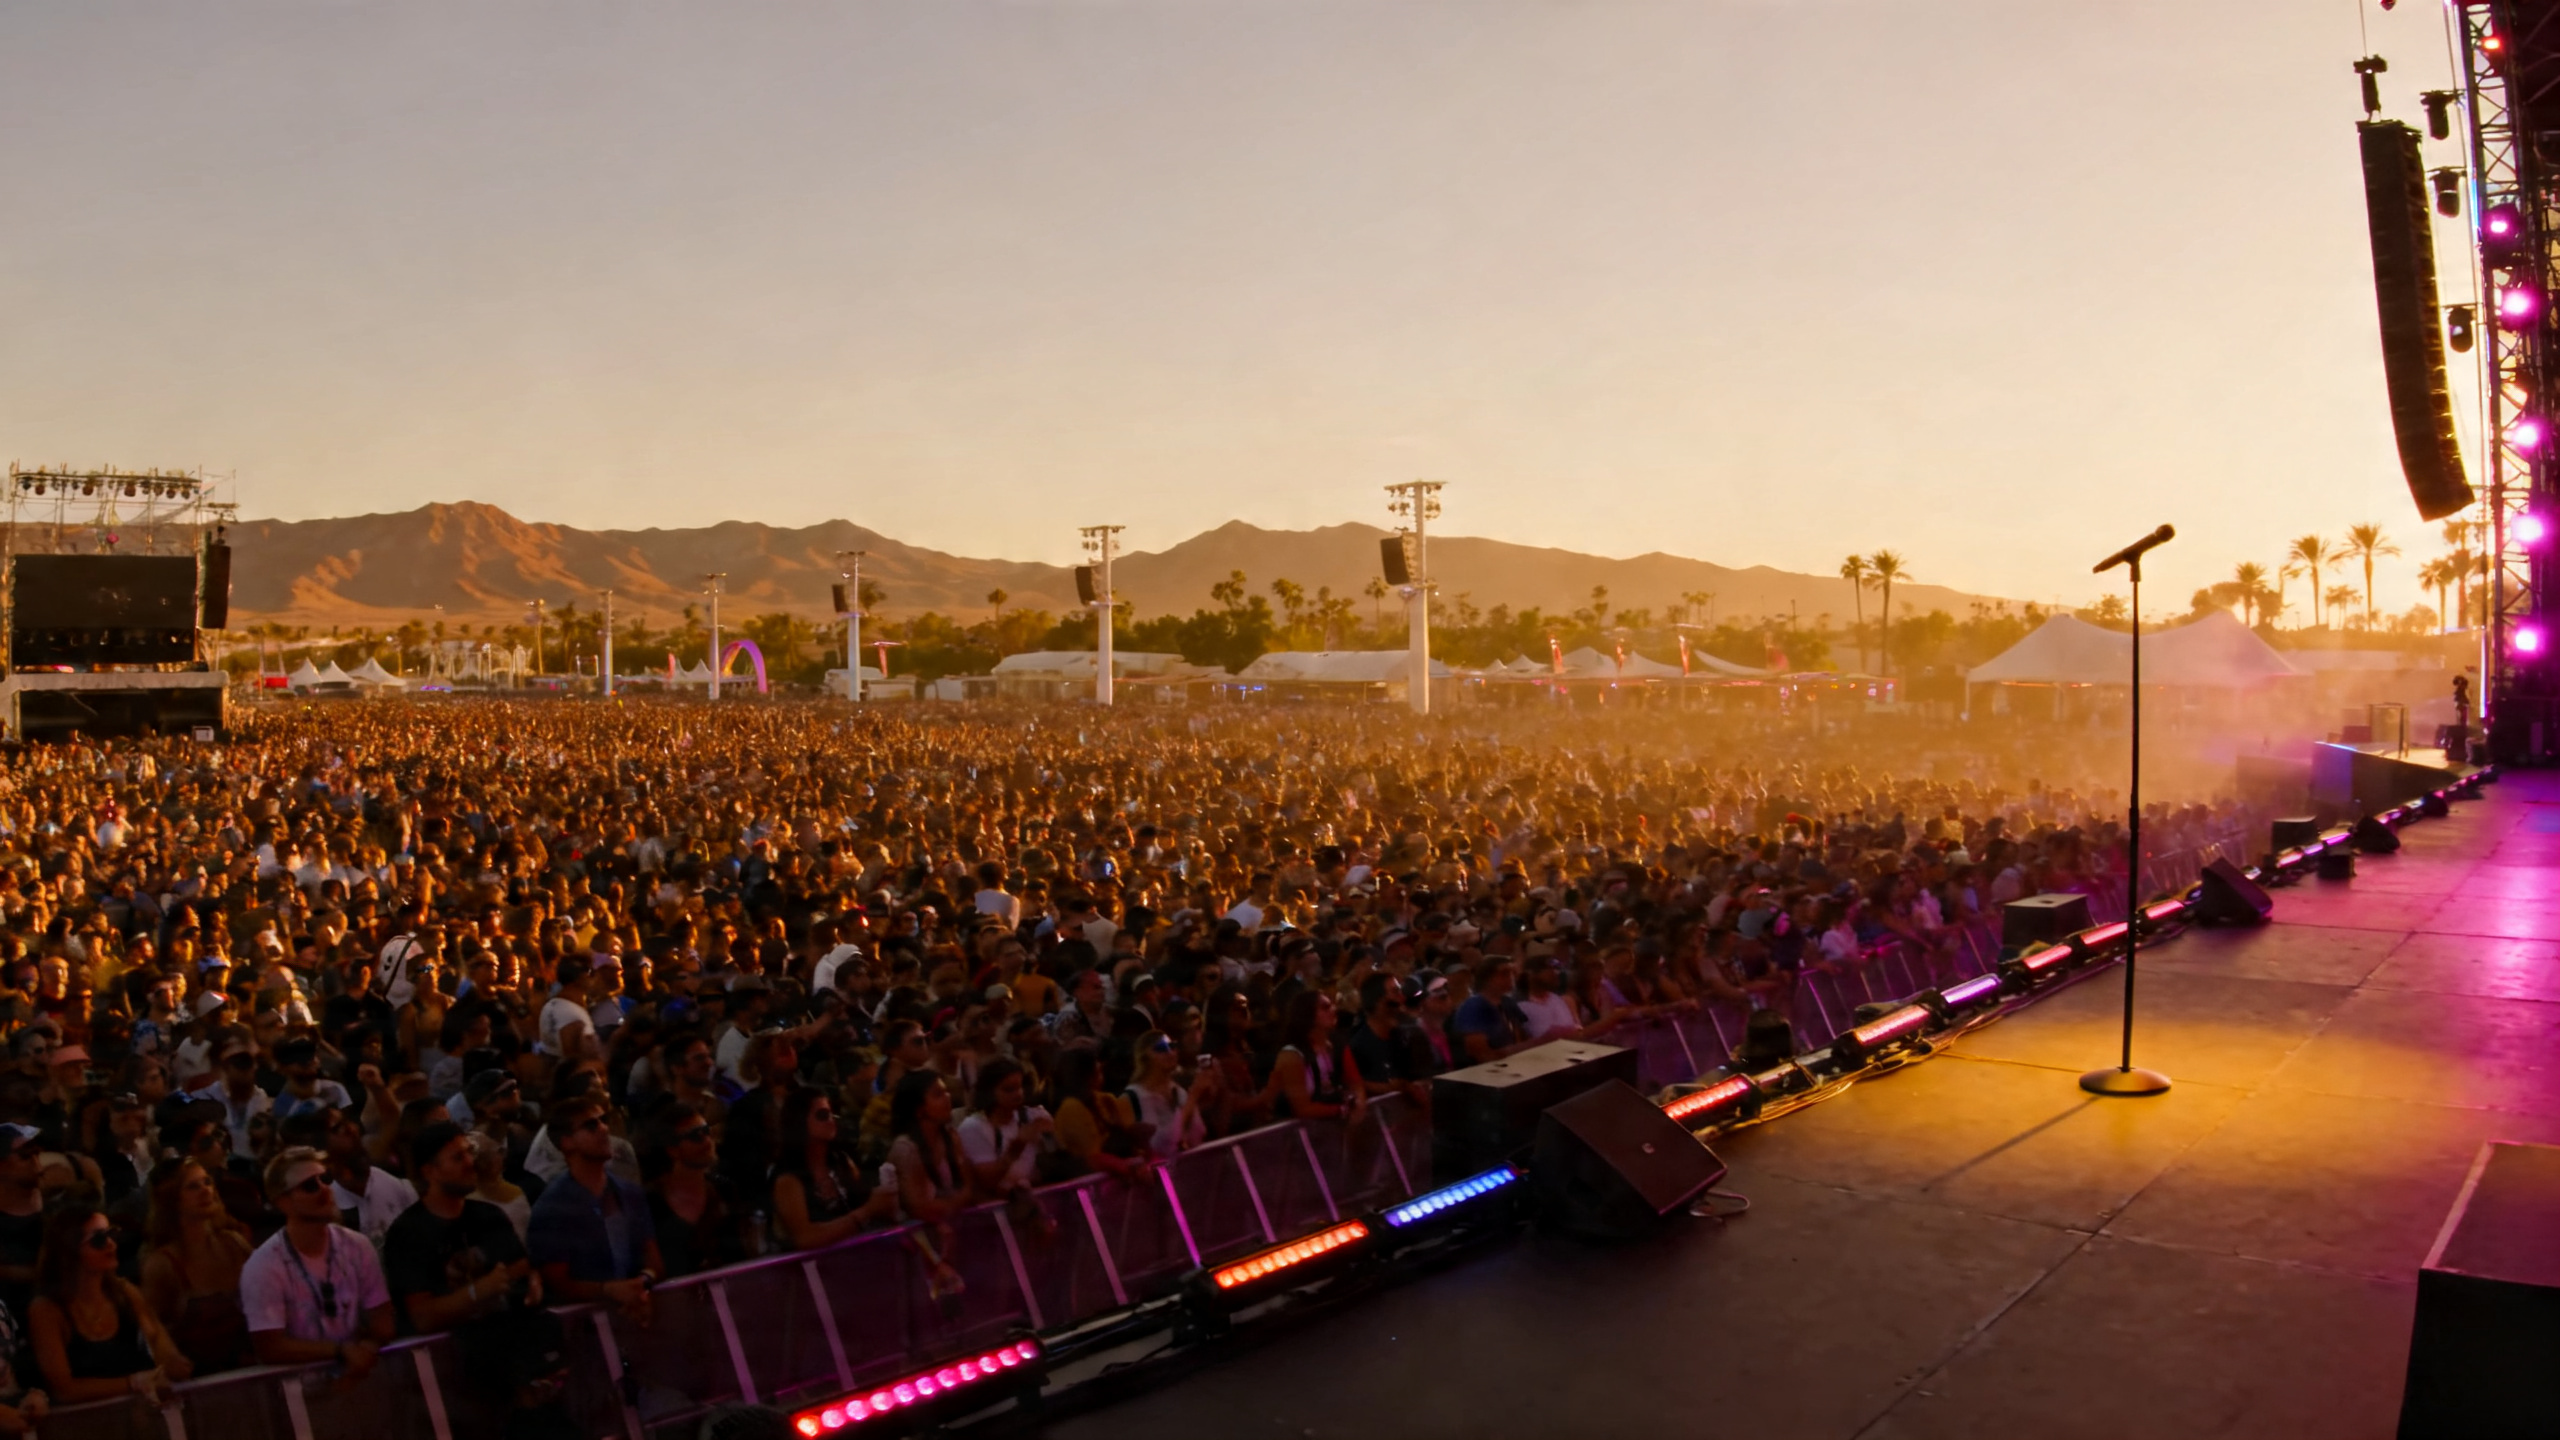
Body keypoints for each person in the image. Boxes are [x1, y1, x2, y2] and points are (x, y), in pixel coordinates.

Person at [238, 1146, 393, 1377]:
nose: (325, 1190)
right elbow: (270, 1347)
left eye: (326, 1179)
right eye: (310, 1186)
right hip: (297, 1392)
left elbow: (383, 1320)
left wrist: (368, 1346)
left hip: (362, 1381)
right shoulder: (264, 1266)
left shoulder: (357, 1245)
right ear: (284, 1202)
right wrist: (340, 1351)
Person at [27, 1201, 193, 1405]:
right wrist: (132, 1382)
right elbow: (64, 1390)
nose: (111, 1244)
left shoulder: (125, 1293)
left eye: (111, 1234)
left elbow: (160, 1344)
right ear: (69, 1250)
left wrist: (172, 1364)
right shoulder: (47, 1310)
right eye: (99, 1240)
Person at [526, 1096, 660, 1323]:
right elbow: (557, 1284)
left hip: (638, 1312)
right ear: (567, 1142)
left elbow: (653, 1257)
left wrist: (641, 1284)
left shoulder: (629, 1192)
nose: (604, 1129)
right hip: (588, 1326)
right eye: (591, 1125)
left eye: (603, 1120)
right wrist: (609, 1290)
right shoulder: (552, 1209)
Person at [138, 1158, 254, 1375]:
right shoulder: (162, 1264)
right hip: (201, 1382)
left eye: (207, 1182)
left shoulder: (234, 1243)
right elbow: (152, 1331)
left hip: (254, 1370)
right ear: (171, 1199)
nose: (205, 1190)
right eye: (193, 1186)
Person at [767, 1088, 895, 1252]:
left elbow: (863, 1203)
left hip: (854, 1255)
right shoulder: (787, 1178)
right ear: (799, 1121)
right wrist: (868, 1211)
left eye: (832, 1115)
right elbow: (805, 1238)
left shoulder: (841, 1161)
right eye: (822, 1115)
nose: (831, 1120)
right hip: (812, 1268)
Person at [643, 1103, 745, 1278]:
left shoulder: (725, 1189)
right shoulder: (651, 1200)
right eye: (695, 1136)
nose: (706, 1140)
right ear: (672, 1150)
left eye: (706, 1131)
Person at [1265, 992, 1365, 1124]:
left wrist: (1358, 1104)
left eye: (1332, 1005)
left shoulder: (1337, 1046)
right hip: (1294, 1134)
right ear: (1307, 1015)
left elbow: (1356, 1084)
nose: (1334, 1010)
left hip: (1330, 1129)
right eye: (1325, 1007)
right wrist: (1341, 1109)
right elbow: (1302, 1109)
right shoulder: (1292, 1055)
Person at [955, 1058, 1051, 1197]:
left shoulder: (1034, 1116)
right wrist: (1016, 1147)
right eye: (1009, 1090)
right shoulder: (973, 1128)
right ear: (989, 1092)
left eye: (1020, 1087)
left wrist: (1050, 1140)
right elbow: (987, 1183)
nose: (1018, 1094)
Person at [1124, 1032, 1209, 1160]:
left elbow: (1198, 1133)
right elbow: (1160, 1145)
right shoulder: (1135, 1096)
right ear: (1144, 1056)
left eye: (1172, 1046)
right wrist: (1193, 1097)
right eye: (1161, 1048)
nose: (1171, 1053)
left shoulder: (1177, 1090)